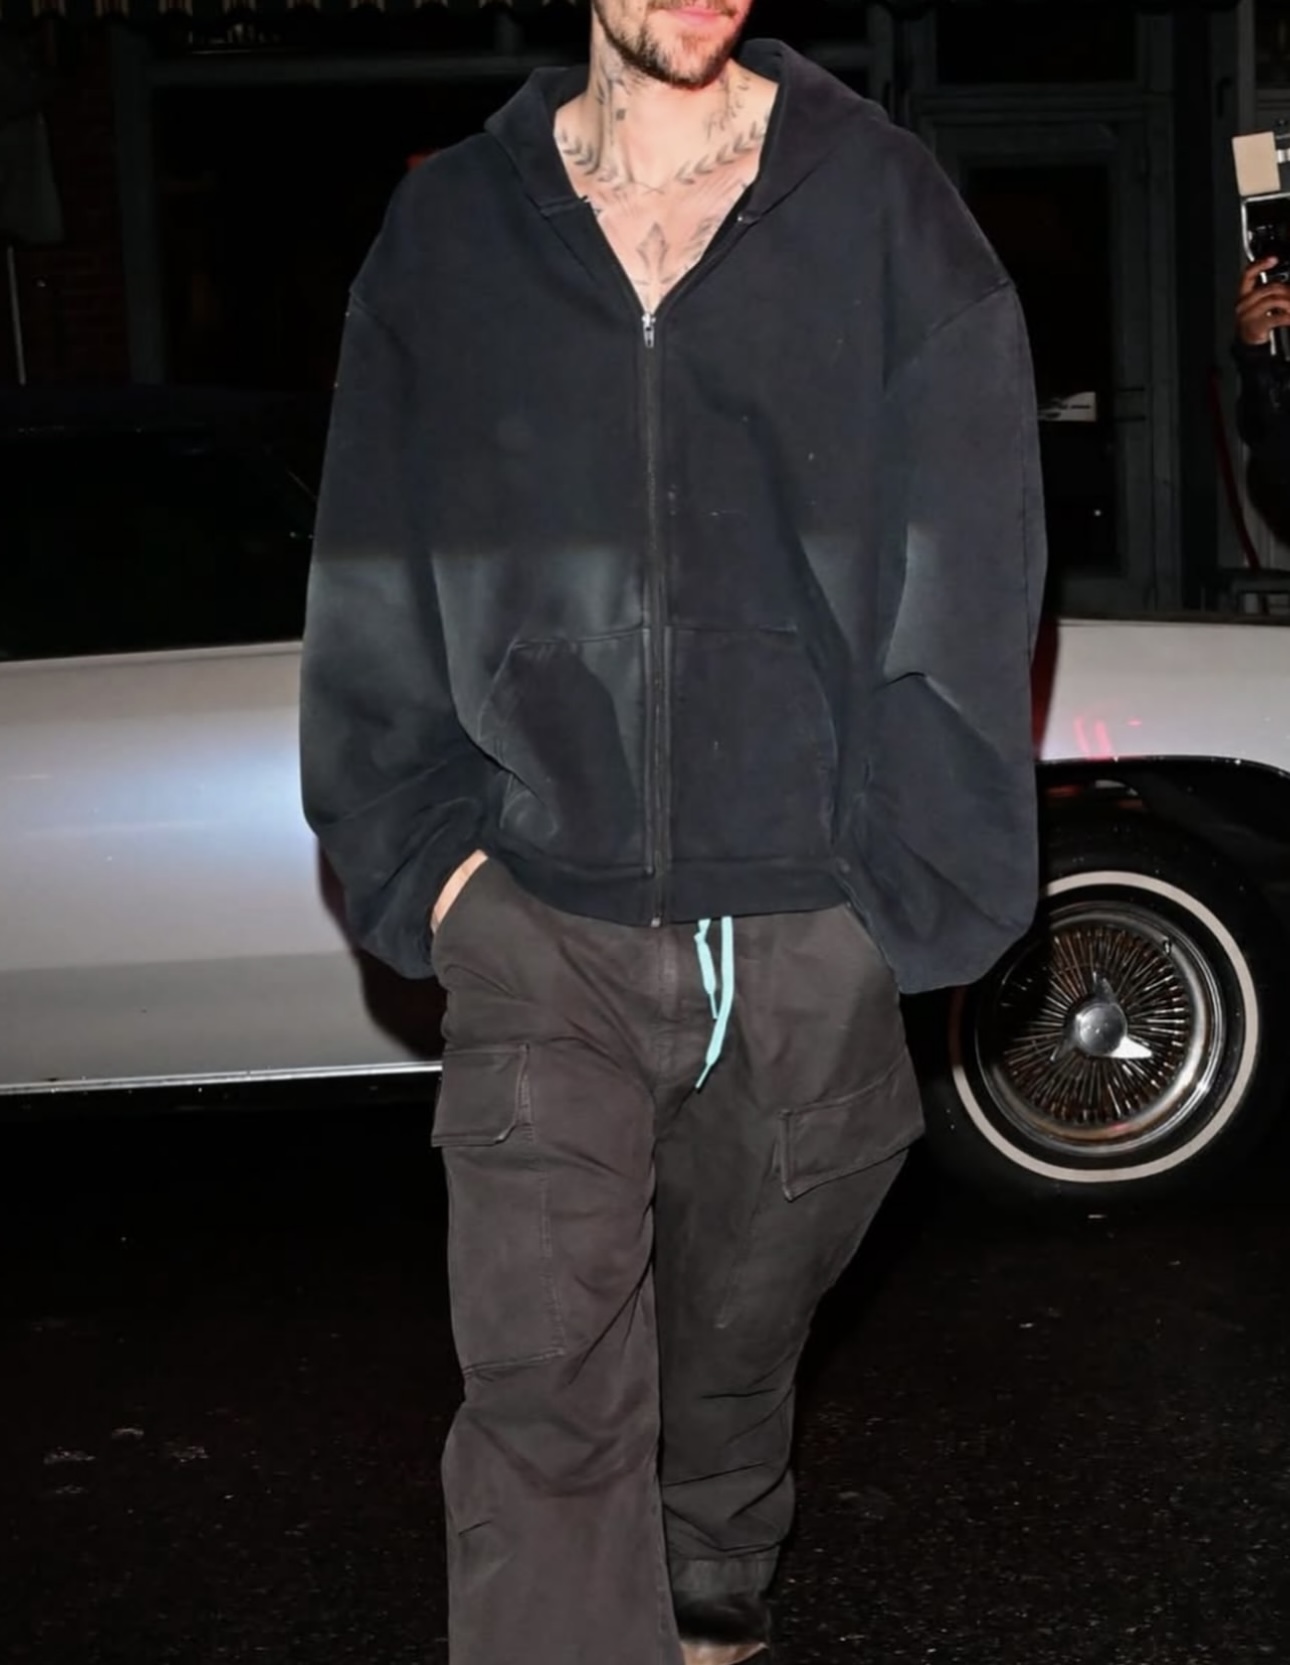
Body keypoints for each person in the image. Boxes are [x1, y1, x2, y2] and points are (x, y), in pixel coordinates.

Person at [300, 3, 1046, 1661]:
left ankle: (709, 1548)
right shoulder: (451, 231)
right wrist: (433, 865)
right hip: (538, 909)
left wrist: (894, 893)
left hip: (804, 920)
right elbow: (369, 554)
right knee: (543, 1387)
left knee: (728, 1343)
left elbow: (973, 555)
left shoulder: (881, 207)